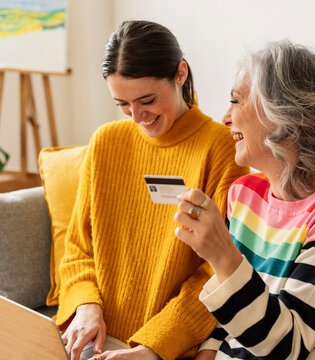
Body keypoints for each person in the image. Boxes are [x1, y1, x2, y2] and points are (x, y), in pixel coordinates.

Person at [175, 40, 315, 359]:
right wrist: (209, 351)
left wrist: (222, 254)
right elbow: (236, 309)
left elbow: (284, 348)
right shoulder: (245, 194)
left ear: (284, 113)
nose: (225, 117)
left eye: (236, 101)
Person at [56, 20, 249, 360]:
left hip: (167, 348)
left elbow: (218, 272)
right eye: (122, 104)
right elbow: (77, 248)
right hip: (92, 338)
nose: (136, 116)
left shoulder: (219, 149)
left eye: (147, 100)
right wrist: (86, 305)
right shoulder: (106, 142)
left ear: (180, 74)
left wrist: (153, 347)